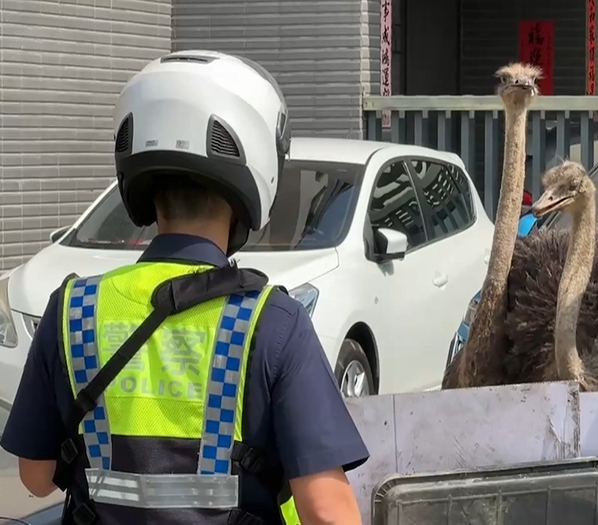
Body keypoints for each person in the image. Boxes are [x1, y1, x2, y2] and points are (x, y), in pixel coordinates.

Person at [0, 50, 369, 525]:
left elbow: (34, 476)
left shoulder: (73, 309)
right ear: (256, 170)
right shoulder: (271, 321)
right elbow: (327, 511)